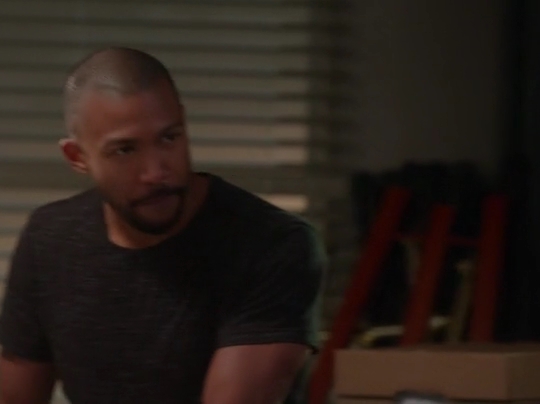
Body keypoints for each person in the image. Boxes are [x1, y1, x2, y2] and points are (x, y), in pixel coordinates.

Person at [0, 47, 325, 404]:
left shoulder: (271, 244)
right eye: (125, 150)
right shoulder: (49, 239)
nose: (156, 172)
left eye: (169, 138)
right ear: (78, 158)